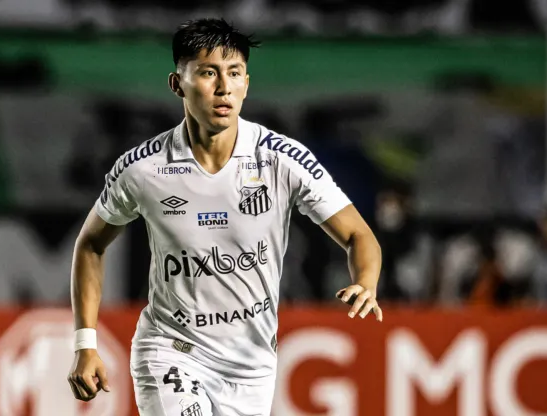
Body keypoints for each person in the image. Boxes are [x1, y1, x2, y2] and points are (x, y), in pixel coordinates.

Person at [67, 18, 384, 415]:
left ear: (246, 84)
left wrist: (366, 282)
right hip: (171, 351)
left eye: (234, 73)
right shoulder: (143, 169)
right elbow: (91, 244)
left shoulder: (281, 160)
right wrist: (85, 344)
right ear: (176, 83)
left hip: (251, 368)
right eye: (207, 73)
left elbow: (359, 235)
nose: (223, 87)